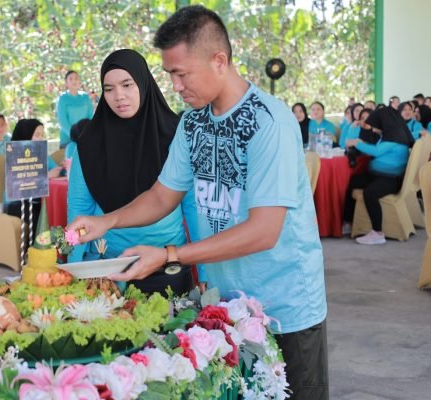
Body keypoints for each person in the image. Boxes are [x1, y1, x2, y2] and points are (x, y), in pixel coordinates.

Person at [68, 6, 327, 399]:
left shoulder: (268, 122)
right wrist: (108, 222)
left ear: (219, 61)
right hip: (225, 308)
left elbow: (263, 231)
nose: (174, 86)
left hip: (283, 309)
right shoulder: (193, 123)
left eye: (181, 73)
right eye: (170, 74)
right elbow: (162, 195)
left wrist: (171, 254)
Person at [68, 49, 191, 295]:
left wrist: (206, 272)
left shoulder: (176, 135)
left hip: (167, 263)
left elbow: (194, 206)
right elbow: (79, 208)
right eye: (109, 89)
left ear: (143, 84)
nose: (119, 96)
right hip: (109, 268)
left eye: (127, 85)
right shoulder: (90, 142)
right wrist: (74, 268)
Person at [342, 106, 414, 244]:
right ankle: (348, 221)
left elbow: (376, 151)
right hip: (379, 175)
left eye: (375, 126)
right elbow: (373, 142)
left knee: (370, 193)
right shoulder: (391, 135)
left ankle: (377, 232)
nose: (374, 129)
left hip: (391, 179)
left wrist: (356, 143)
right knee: (352, 182)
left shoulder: (395, 138)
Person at [4, 119, 62, 236]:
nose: (40, 138)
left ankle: (58, 250)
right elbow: (19, 185)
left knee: (54, 212)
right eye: (37, 135)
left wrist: (64, 167)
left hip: (36, 201)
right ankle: (33, 252)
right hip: (17, 203)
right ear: (26, 134)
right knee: (40, 220)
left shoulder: (41, 153)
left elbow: (55, 169)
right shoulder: (15, 155)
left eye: (42, 135)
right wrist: (46, 176)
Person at [56, 70, 94, 148]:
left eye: (76, 78)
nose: (74, 81)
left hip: (85, 139)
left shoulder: (85, 97)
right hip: (67, 141)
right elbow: (63, 121)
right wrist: (74, 136)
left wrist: (85, 134)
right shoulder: (62, 98)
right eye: (71, 79)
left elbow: (90, 117)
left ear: (79, 81)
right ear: (66, 83)